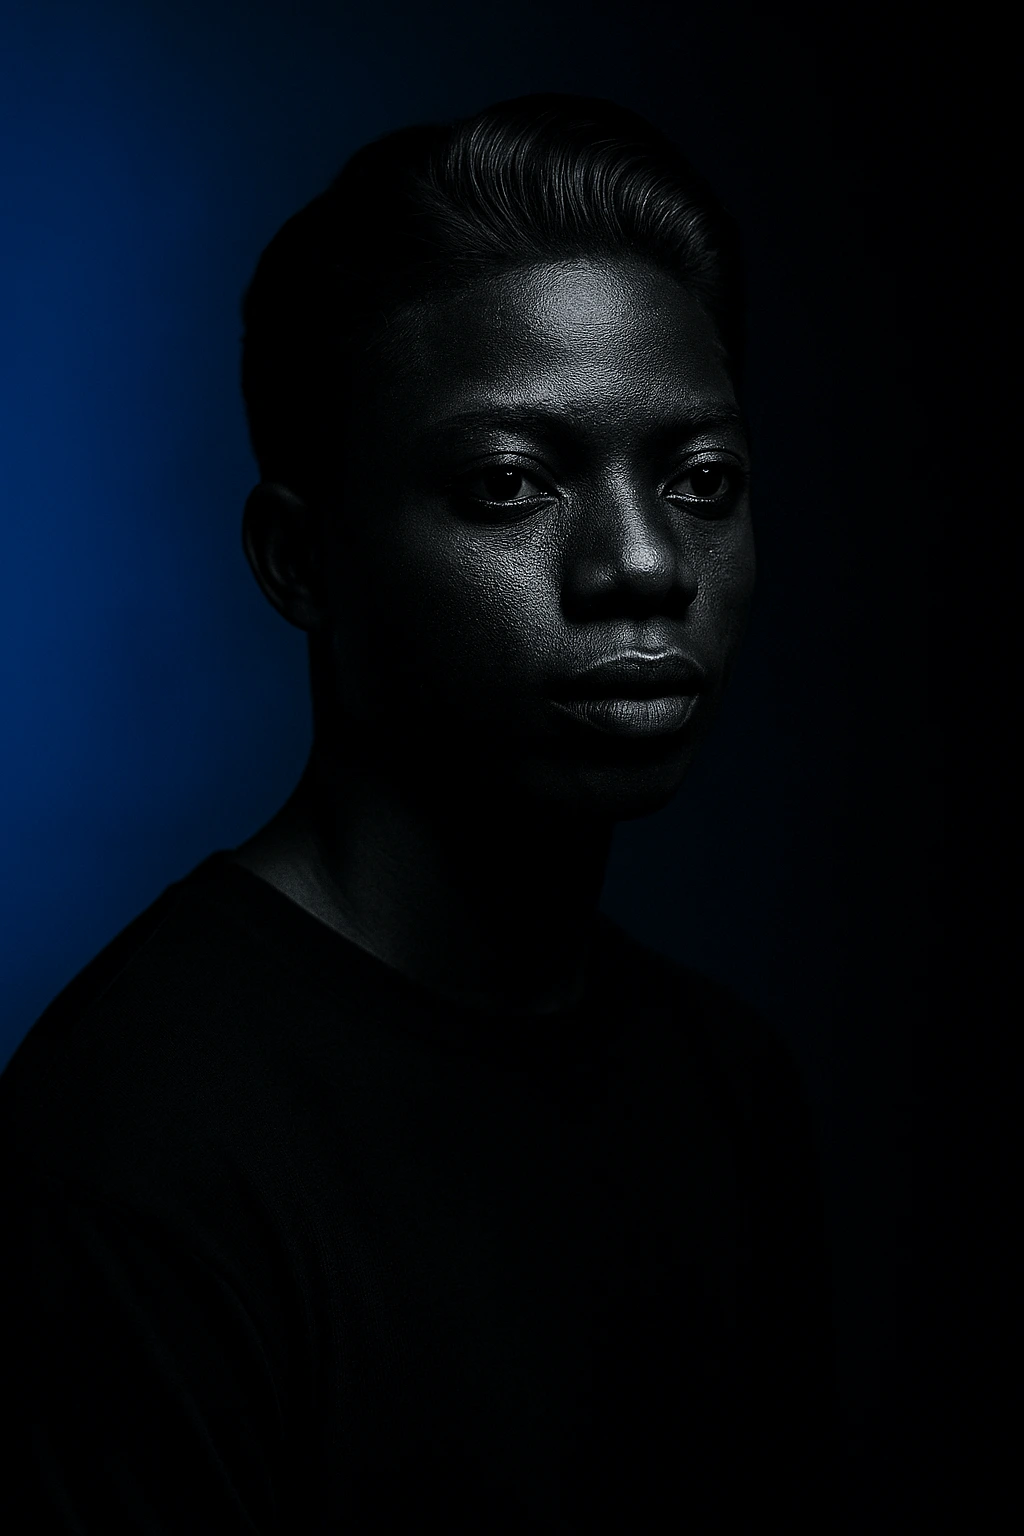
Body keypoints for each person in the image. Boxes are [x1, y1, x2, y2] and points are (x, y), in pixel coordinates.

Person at [0, 93, 843, 1531]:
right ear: (300, 560)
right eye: (510, 484)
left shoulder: (729, 1095)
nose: (644, 564)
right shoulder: (130, 1153)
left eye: (704, 481)